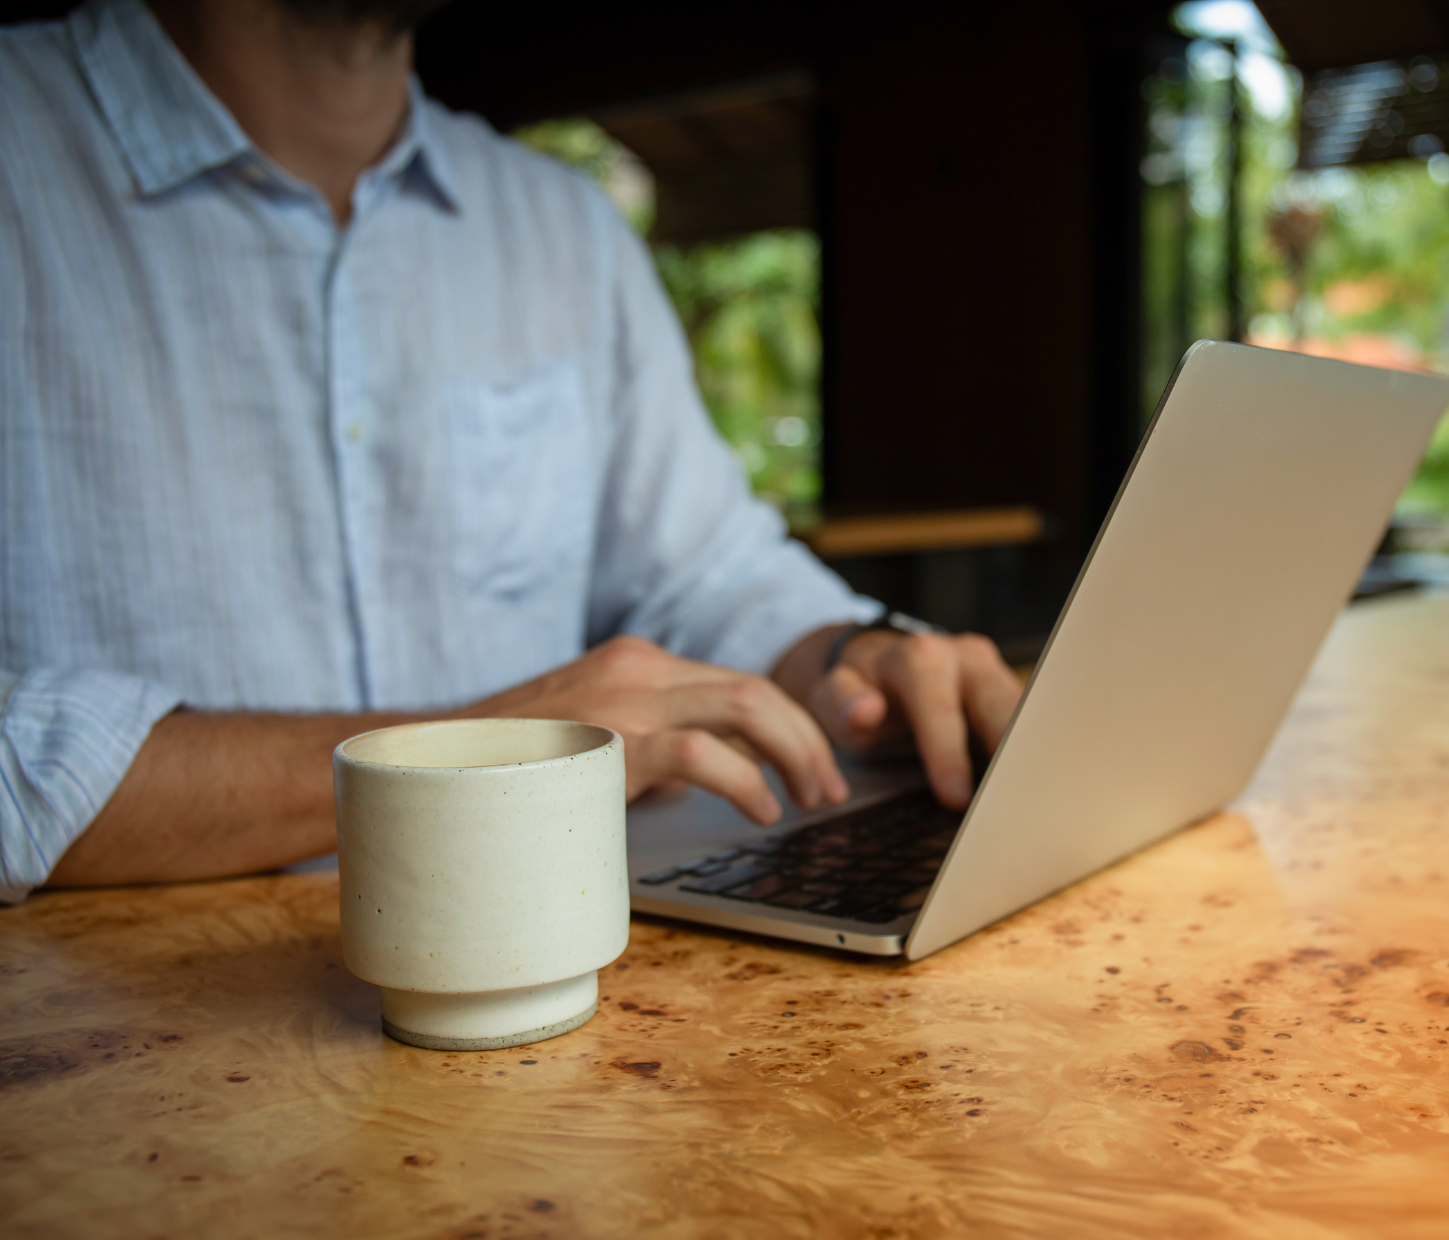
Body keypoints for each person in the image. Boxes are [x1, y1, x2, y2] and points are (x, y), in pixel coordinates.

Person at [0, 0, 1022, 903]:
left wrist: (844, 657)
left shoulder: (561, 225)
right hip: (119, 1035)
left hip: (571, 976)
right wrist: (485, 751)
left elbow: (703, 570)